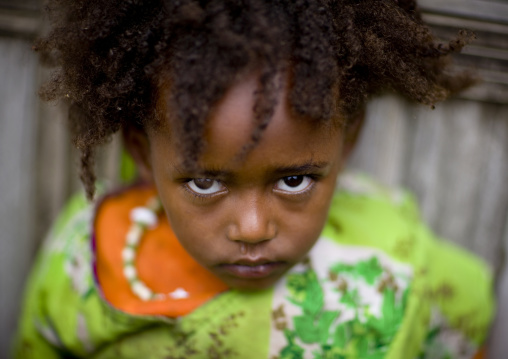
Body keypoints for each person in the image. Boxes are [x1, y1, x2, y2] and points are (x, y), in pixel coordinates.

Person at [14, 0, 494, 358]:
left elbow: (470, 319)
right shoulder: (87, 261)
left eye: (294, 182)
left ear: (348, 139)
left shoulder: (392, 258)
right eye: (205, 183)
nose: (252, 229)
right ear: (141, 151)